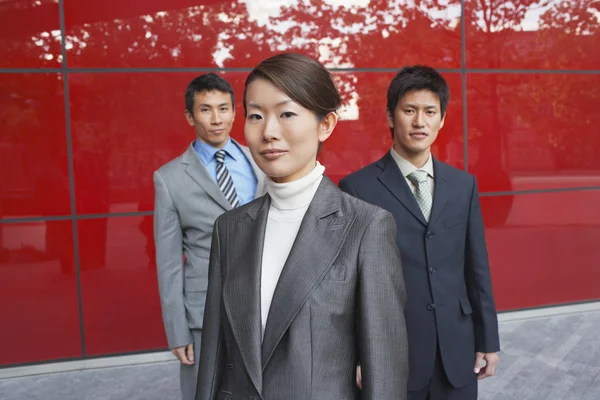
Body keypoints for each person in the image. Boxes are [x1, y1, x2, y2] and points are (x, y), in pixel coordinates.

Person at [196, 53, 409, 400]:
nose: (268, 132)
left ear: (325, 124)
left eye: (287, 114)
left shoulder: (366, 227)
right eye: (255, 115)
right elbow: (213, 359)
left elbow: (383, 373)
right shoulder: (230, 228)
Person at [339, 65, 500, 399]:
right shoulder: (357, 188)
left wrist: (488, 341)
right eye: (409, 110)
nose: (419, 122)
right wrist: (357, 355)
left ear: (441, 119)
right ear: (390, 116)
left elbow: (477, 268)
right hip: (392, 353)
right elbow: (349, 284)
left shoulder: (463, 185)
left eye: (430, 112)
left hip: (457, 349)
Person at [153, 73, 264, 400]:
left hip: (266, 300)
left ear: (234, 112)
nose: (216, 119)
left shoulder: (262, 159)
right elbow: (169, 262)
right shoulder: (169, 179)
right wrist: (177, 330)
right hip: (205, 311)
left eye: (224, 108)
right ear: (190, 116)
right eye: (205, 110)